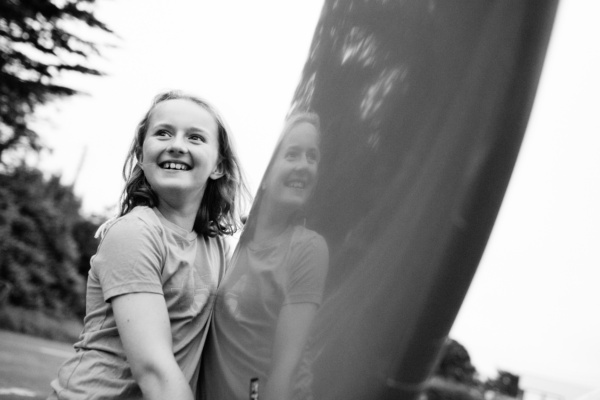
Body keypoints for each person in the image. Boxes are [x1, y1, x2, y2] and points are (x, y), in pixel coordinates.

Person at [48, 90, 247, 400]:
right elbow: (154, 369)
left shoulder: (217, 246)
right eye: (163, 133)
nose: (177, 146)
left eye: (195, 138)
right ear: (142, 155)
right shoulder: (135, 234)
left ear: (219, 165)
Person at [200, 112, 329, 400]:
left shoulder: (307, 248)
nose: (304, 166)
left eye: (312, 157)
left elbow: (288, 367)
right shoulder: (229, 240)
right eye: (293, 154)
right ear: (266, 173)